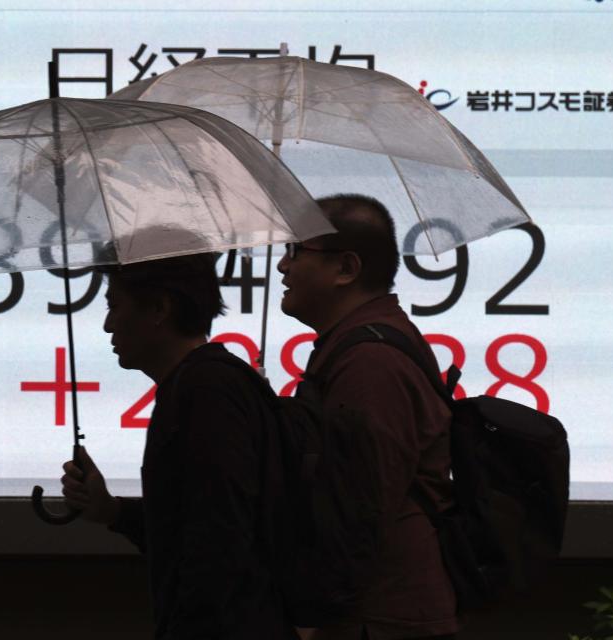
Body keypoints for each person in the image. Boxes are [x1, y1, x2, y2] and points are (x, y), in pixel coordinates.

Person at [60, 245, 296, 640]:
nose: (107, 325)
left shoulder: (206, 392)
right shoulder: (200, 384)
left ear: (159, 309)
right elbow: (190, 525)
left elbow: (218, 541)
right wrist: (113, 511)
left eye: (115, 306)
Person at [277, 195, 459, 640]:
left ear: (346, 269)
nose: (282, 268)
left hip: (377, 618)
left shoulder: (369, 362)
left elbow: (359, 507)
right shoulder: (358, 346)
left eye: (297, 252)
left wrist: (314, 614)